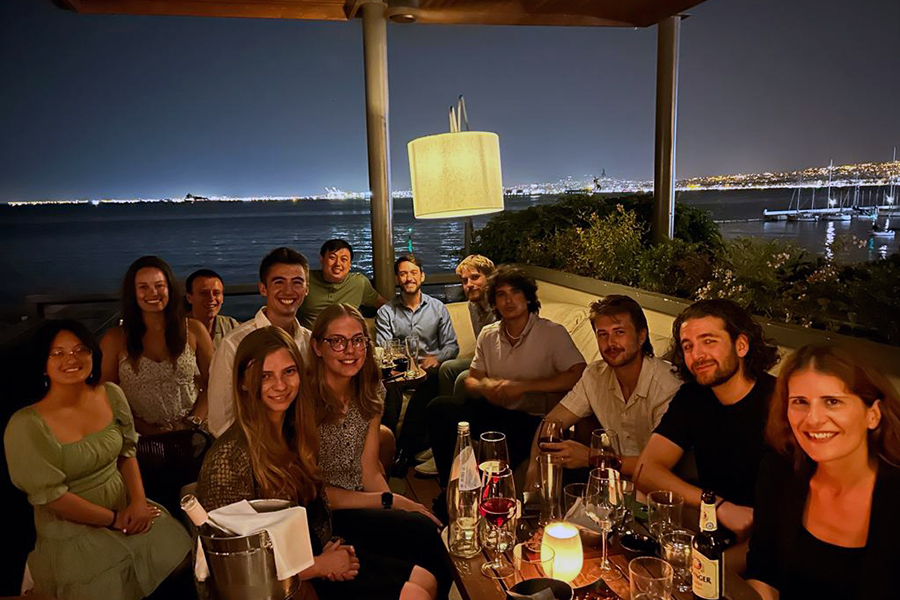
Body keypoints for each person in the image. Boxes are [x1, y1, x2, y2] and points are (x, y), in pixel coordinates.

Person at [196, 327, 435, 600]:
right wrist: (318, 566)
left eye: (289, 371)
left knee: (425, 580)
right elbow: (230, 573)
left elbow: (315, 510)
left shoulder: (294, 431)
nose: (280, 385)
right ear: (243, 382)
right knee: (416, 595)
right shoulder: (228, 458)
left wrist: (333, 552)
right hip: (278, 585)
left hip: (312, 554)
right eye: (265, 376)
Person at [4, 320, 191, 600]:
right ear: (43, 365)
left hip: (122, 501)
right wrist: (114, 520)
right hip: (71, 527)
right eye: (58, 353)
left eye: (81, 349)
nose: (72, 359)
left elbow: (127, 453)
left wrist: (138, 503)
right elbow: (52, 497)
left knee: (179, 552)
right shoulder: (26, 425)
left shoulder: (111, 395)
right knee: (109, 586)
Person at [308, 304, 451, 598]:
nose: (350, 350)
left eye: (358, 340)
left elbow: (369, 469)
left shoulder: (371, 390)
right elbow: (313, 491)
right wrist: (390, 501)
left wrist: (394, 507)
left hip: (360, 502)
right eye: (337, 340)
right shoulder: (304, 401)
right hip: (322, 515)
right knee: (419, 533)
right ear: (317, 347)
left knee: (428, 531)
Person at [746, 344, 900, 600]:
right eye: (800, 402)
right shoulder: (778, 473)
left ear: (873, 415)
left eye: (832, 401)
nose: (813, 418)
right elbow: (764, 571)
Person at [635, 299, 779, 571]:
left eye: (709, 341)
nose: (697, 355)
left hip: (769, 541)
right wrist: (719, 506)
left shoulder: (781, 403)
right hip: (714, 529)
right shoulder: (693, 398)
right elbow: (645, 470)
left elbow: (786, 521)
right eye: (688, 346)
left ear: (741, 345)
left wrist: (702, 569)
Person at [427, 266, 586, 495]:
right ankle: (450, 487)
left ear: (528, 298)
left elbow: (579, 374)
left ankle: (485, 493)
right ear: (494, 302)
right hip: (494, 411)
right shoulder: (489, 335)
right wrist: (486, 386)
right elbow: (471, 380)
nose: (509, 300)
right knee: (439, 408)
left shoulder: (552, 333)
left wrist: (524, 387)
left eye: (515, 292)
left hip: (534, 420)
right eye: (501, 294)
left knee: (502, 449)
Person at [524, 295, 681, 487]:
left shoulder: (667, 387)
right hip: (611, 486)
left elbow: (657, 468)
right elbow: (550, 423)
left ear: (641, 336)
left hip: (661, 493)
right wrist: (533, 477)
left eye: (619, 332)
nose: (611, 342)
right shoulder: (595, 374)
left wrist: (592, 457)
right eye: (602, 334)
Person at [100, 256, 214, 434]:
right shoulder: (115, 339)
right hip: (139, 437)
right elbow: (105, 394)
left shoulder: (193, 329)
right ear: (132, 292)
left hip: (194, 434)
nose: (153, 292)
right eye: (143, 287)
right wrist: (144, 428)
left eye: (159, 285)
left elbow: (213, 382)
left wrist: (194, 423)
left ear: (170, 289)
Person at [207, 247, 311, 438]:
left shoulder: (310, 342)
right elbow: (220, 420)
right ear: (263, 288)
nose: (288, 290)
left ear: (306, 289)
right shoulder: (235, 344)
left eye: (297, 282)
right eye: (279, 282)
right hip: (253, 452)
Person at [376, 254, 458, 464]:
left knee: (430, 379)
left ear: (422, 276)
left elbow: (452, 345)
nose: (408, 278)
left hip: (426, 371)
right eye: (403, 274)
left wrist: (437, 358)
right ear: (397, 279)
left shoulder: (438, 308)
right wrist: (399, 365)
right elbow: (384, 348)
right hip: (399, 370)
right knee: (388, 386)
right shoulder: (386, 312)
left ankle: (402, 451)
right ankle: (386, 447)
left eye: (413, 273)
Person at [437, 254, 497, 399]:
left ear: (490, 279)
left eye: (475, 277)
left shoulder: (500, 304)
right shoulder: (473, 305)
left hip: (503, 364)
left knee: (463, 379)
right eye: (464, 281)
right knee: (446, 368)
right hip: (485, 360)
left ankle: (463, 419)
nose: (469, 284)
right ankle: (449, 413)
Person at [297, 239, 387, 329]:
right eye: (332, 258)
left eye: (344, 259)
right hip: (309, 339)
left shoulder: (359, 282)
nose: (338, 264)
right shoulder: (305, 279)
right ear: (322, 259)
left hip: (346, 340)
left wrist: (369, 324)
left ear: (350, 264)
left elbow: (384, 306)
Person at [184, 268, 239, 349]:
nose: (211, 298)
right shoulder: (179, 329)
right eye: (204, 293)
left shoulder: (231, 326)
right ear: (189, 298)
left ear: (222, 298)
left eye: (216, 293)